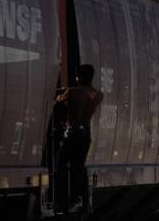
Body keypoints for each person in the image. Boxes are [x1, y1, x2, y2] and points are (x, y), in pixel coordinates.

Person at [56, 65, 103, 212]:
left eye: (77, 75)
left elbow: (58, 100)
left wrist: (62, 96)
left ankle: (63, 197)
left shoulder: (73, 92)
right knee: (78, 167)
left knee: (62, 163)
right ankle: (77, 198)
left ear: (80, 76)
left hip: (73, 133)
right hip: (85, 134)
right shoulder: (97, 94)